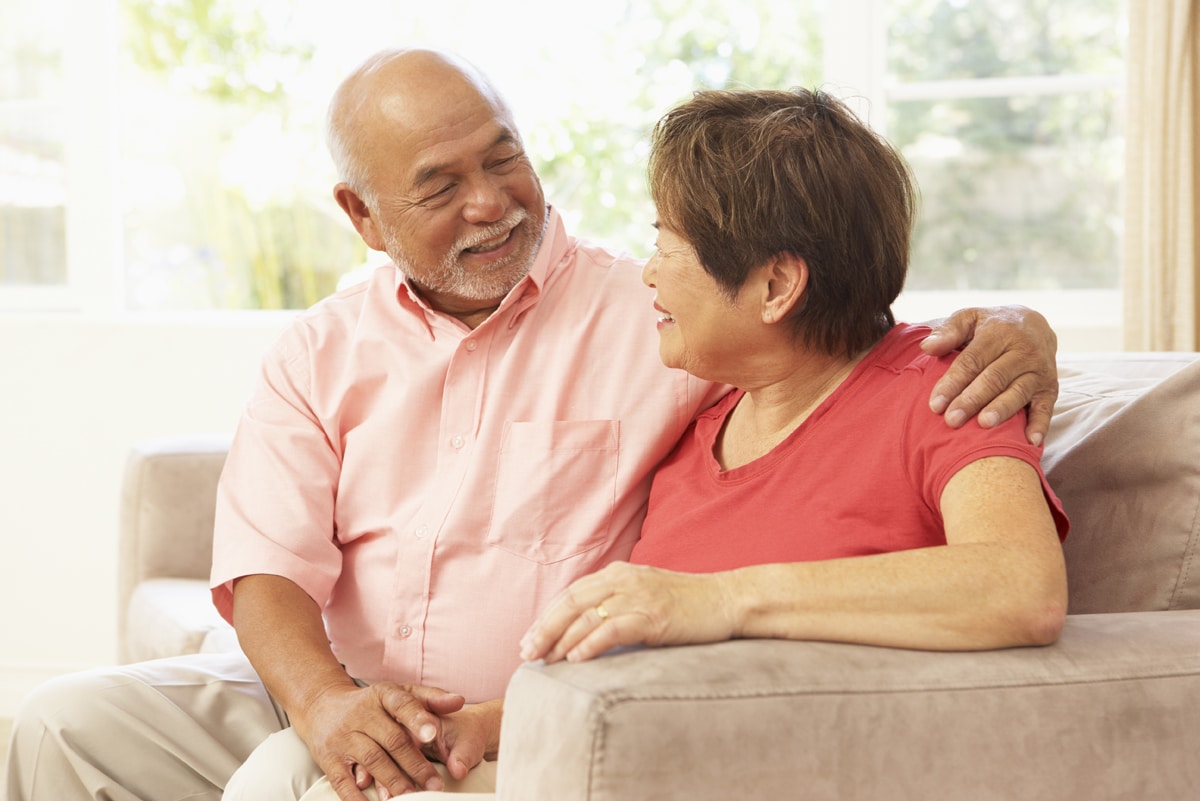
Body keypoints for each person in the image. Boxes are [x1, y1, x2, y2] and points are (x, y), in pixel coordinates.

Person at [5, 49, 1061, 801]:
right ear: (362, 217)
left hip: (564, 734)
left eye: (501, 159)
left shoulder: (669, 333)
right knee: (61, 728)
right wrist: (334, 708)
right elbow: (267, 566)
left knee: (282, 788)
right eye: (438, 186)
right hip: (374, 703)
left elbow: (835, 318)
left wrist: (1023, 325)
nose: (491, 203)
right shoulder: (324, 351)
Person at [520, 88, 1069, 672]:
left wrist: (725, 598)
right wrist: (481, 723)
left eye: (666, 246)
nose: (648, 274)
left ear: (777, 286)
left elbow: (1022, 588)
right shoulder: (697, 427)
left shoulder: (949, 386)